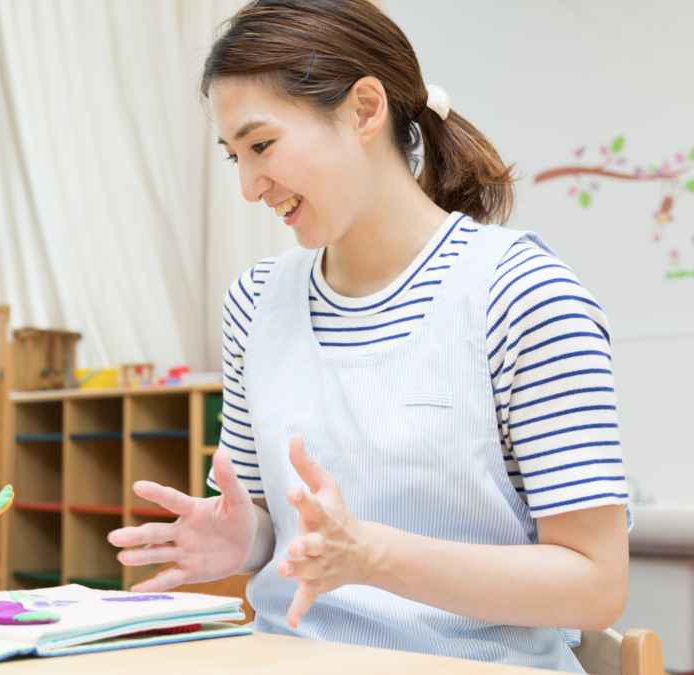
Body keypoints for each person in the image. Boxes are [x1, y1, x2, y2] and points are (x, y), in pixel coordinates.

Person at [108, 0, 629, 670]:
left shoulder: (522, 294)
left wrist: (374, 556)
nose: (248, 185)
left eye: (261, 145)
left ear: (363, 109)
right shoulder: (255, 303)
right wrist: (250, 539)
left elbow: (596, 583)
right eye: (233, 155)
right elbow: (299, 537)